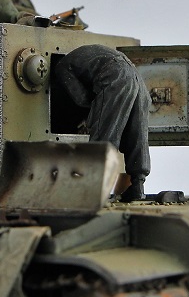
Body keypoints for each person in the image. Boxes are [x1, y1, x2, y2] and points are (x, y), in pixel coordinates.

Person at [52, 44, 151, 202]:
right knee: (137, 133)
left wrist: (91, 116)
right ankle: (137, 185)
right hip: (136, 76)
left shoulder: (62, 67)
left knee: (105, 131)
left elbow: (82, 99)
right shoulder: (84, 59)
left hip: (115, 74)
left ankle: (95, 188)